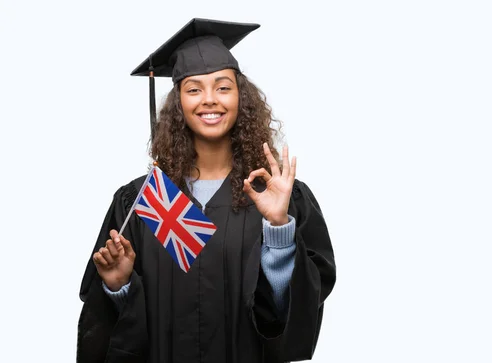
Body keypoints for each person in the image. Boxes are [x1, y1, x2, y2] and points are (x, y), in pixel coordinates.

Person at [77, 18, 336, 363]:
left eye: (223, 87)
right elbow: (116, 327)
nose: (209, 100)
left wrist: (278, 229)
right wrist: (119, 286)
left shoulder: (278, 197)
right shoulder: (145, 200)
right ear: (178, 103)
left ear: (241, 98)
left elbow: (291, 313)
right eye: (194, 89)